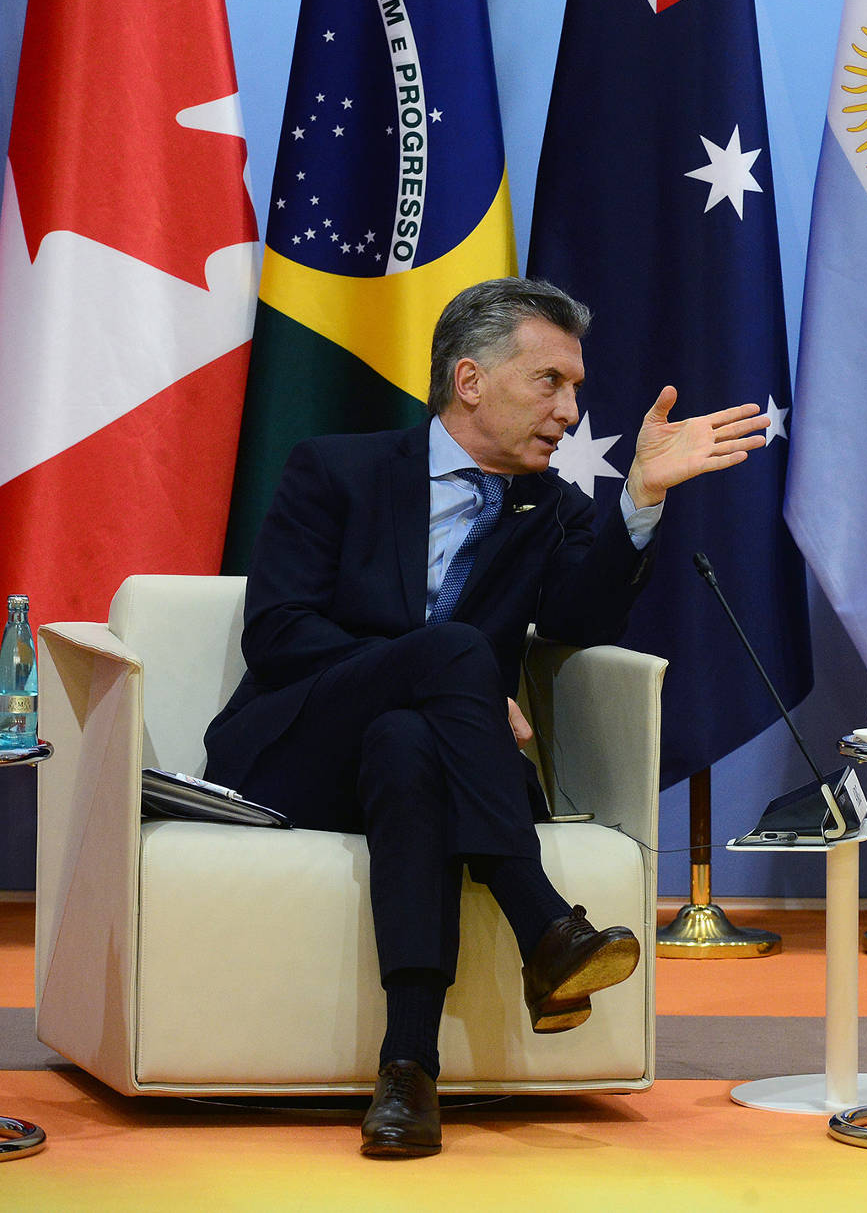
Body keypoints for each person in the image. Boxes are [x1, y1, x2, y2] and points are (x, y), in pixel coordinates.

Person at [204, 276, 767, 1158]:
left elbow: (584, 619)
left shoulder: (552, 509)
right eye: (551, 381)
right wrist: (441, 674)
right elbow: (280, 633)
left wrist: (642, 499)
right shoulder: (337, 469)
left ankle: (408, 1071)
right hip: (293, 747)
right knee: (456, 653)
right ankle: (540, 915)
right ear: (470, 380)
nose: (573, 411)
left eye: (576, 388)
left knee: (406, 742)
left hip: (425, 768)